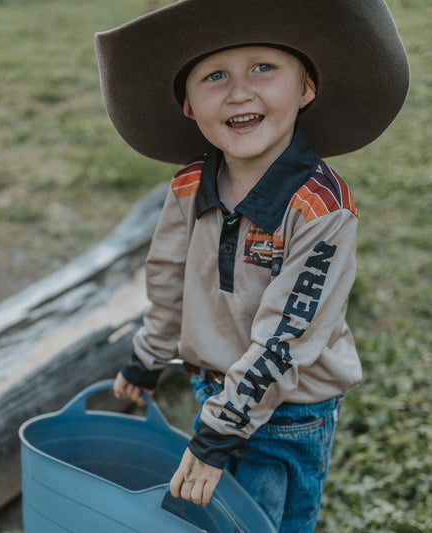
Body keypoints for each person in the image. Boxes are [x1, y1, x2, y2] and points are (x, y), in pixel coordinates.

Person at [94, 1, 409, 531]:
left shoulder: (321, 209)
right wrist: (149, 356)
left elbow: (286, 336)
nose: (240, 91)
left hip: (289, 411)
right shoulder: (189, 186)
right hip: (214, 391)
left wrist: (220, 432)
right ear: (190, 106)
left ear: (306, 88)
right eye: (214, 75)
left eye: (263, 67)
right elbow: (169, 280)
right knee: (218, 521)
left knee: (265, 523)